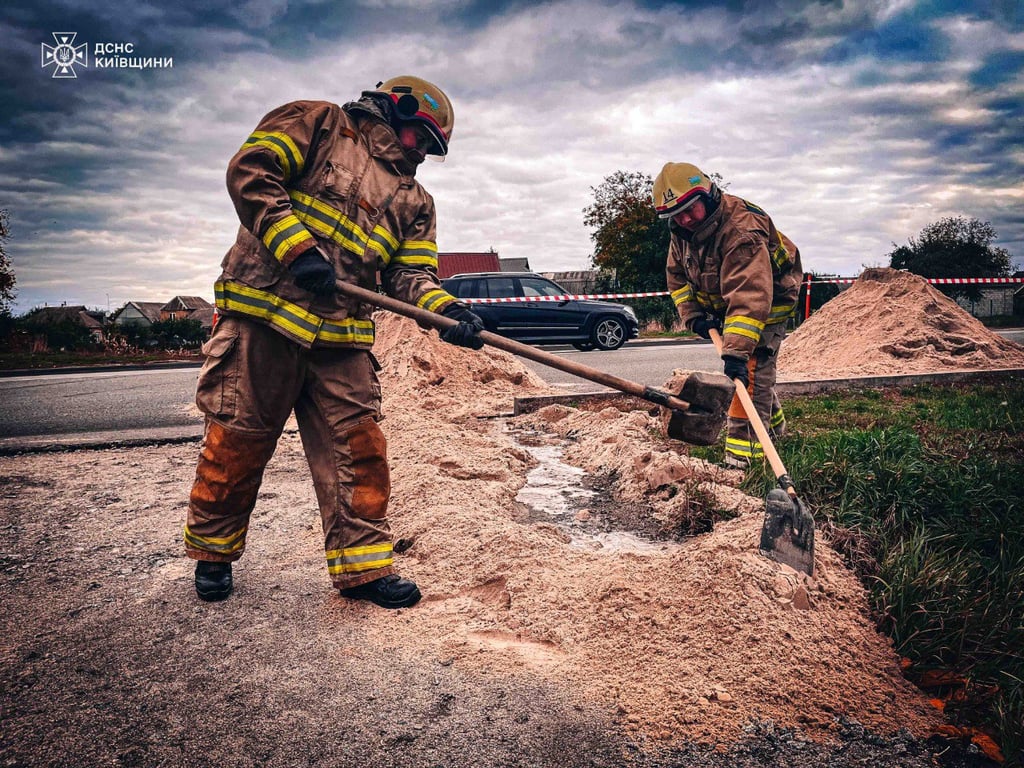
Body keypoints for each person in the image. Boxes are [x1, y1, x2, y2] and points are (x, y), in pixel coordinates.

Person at [184, 76, 485, 608]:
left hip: (341, 339)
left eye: (431, 148)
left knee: (359, 453)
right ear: (396, 110)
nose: (421, 153)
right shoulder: (321, 124)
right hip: (263, 319)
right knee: (237, 443)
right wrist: (297, 249)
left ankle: (363, 569)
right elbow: (251, 172)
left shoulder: (416, 200)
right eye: (420, 138)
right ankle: (213, 554)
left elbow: (410, 275)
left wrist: (446, 313)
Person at [653, 162, 802, 469]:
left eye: (689, 209)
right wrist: (694, 315)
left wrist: (735, 353)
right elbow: (676, 277)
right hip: (730, 304)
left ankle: (742, 458)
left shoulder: (741, 230)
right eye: (675, 215)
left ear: (708, 196)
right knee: (756, 374)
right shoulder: (682, 231)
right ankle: (776, 428)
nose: (684, 219)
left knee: (748, 371)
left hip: (768, 301)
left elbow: (749, 297)